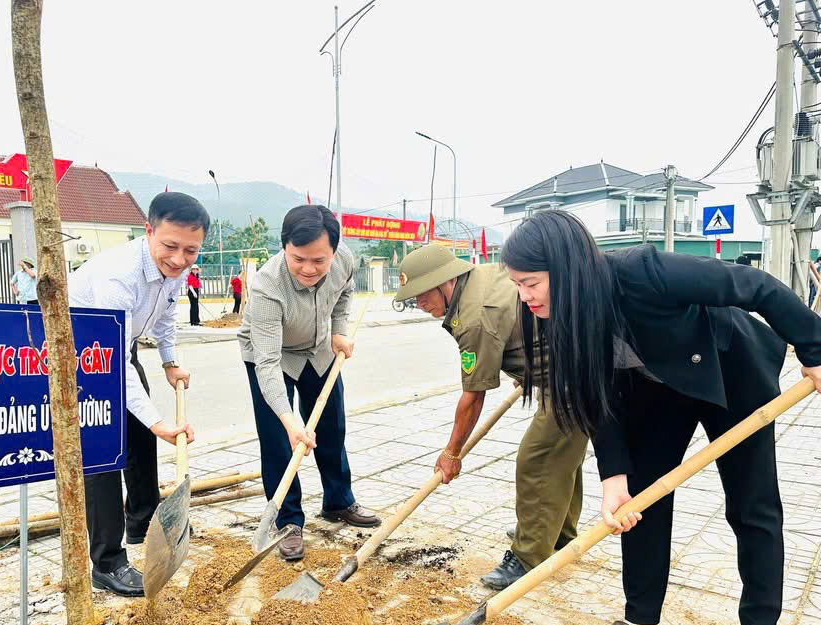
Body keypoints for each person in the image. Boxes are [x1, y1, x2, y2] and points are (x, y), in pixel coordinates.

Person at [500, 209, 821, 625]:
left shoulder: (643, 271)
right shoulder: (557, 314)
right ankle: (642, 619)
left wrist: (814, 349)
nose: (524, 297)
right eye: (517, 285)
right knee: (640, 500)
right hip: (655, 386)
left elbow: (756, 286)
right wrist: (614, 476)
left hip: (728, 369)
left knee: (751, 501)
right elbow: (595, 395)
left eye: (531, 283)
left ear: (566, 269)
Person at [394, 245, 586, 590]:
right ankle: (553, 531)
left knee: (538, 459)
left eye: (423, 294)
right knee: (560, 456)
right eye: (413, 298)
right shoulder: (479, 278)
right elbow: (517, 328)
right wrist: (524, 366)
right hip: (566, 365)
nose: (419, 303)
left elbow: (473, 397)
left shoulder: (474, 316)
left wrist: (451, 453)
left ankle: (528, 556)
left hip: (573, 379)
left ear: (446, 281)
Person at [67, 192, 205, 596]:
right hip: (79, 351)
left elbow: (166, 314)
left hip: (117, 348)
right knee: (103, 454)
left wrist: (169, 361)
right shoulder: (119, 275)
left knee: (142, 437)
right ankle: (107, 561)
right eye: (170, 246)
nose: (179, 259)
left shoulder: (175, 268)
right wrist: (160, 422)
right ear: (148, 231)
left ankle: (143, 522)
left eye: (190, 251)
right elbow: (110, 364)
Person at [237, 204, 380, 562]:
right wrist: (289, 422)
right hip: (273, 356)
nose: (309, 269)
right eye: (298, 259)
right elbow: (267, 363)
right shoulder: (267, 285)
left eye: (319, 260)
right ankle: (288, 520)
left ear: (334, 250)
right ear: (284, 247)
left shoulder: (343, 260)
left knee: (332, 426)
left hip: (319, 349)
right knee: (279, 441)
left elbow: (345, 293)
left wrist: (339, 331)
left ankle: (338, 501)